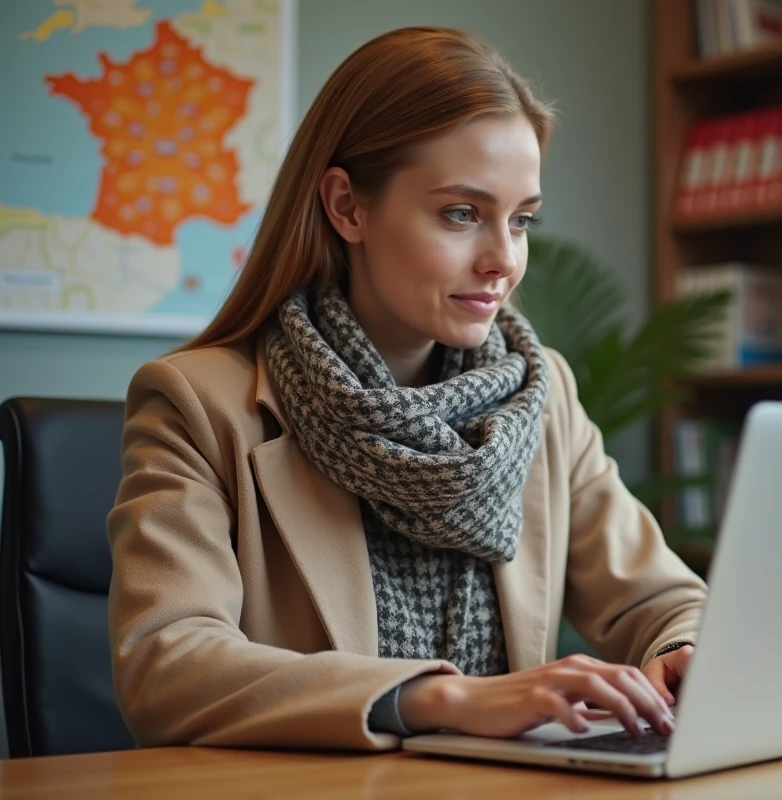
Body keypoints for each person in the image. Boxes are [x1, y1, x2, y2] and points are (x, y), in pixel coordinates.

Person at [106, 26, 707, 751]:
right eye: (462, 214)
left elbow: (661, 597)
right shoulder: (197, 404)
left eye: (521, 221)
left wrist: (686, 649)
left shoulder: (539, 397)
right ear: (347, 207)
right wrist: (442, 698)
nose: (503, 260)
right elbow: (167, 666)